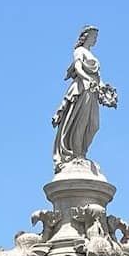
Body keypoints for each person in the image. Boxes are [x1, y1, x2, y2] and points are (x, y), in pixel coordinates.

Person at [52, 26, 115, 170]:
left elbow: (97, 77)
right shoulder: (79, 51)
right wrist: (87, 79)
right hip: (83, 89)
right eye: (94, 37)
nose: (95, 39)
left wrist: (104, 88)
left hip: (92, 91)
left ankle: (82, 152)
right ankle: (77, 155)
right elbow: (78, 68)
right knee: (80, 122)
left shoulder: (91, 54)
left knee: (94, 125)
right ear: (86, 37)